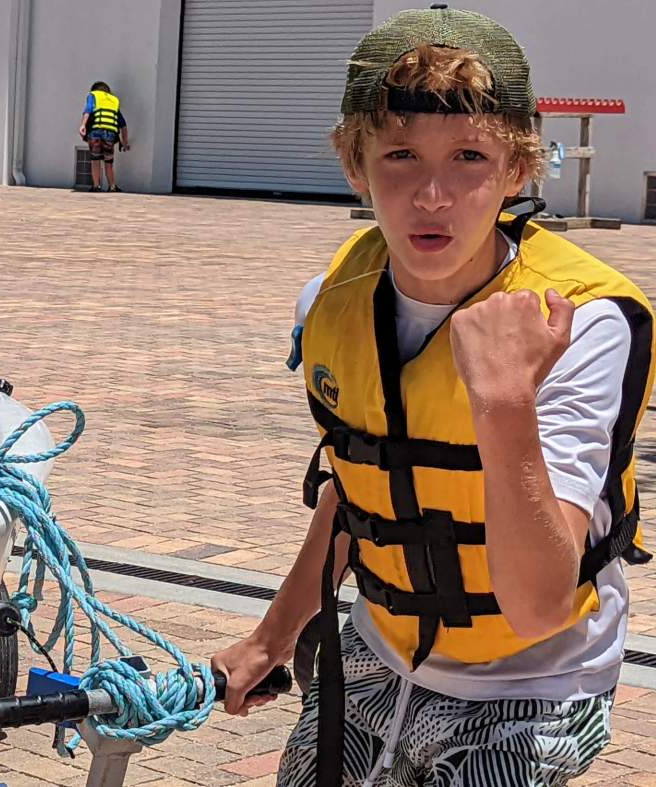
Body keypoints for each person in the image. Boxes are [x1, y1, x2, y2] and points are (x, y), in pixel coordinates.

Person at [213, 6, 655, 786]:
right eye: (401, 155)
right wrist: (271, 637)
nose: (432, 195)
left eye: (469, 157)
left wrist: (505, 402)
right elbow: (360, 486)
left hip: (532, 687)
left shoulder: (583, 323)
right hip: (376, 654)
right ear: (355, 162)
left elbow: (541, 605)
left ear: (518, 170)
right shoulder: (330, 300)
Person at [79, 81, 130, 193]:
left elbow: (88, 110)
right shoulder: (113, 101)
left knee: (95, 160)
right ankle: (112, 187)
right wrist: (125, 142)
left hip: (95, 131)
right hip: (109, 133)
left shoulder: (93, 95)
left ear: (94, 89)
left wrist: (83, 125)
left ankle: (96, 186)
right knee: (108, 161)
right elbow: (123, 124)